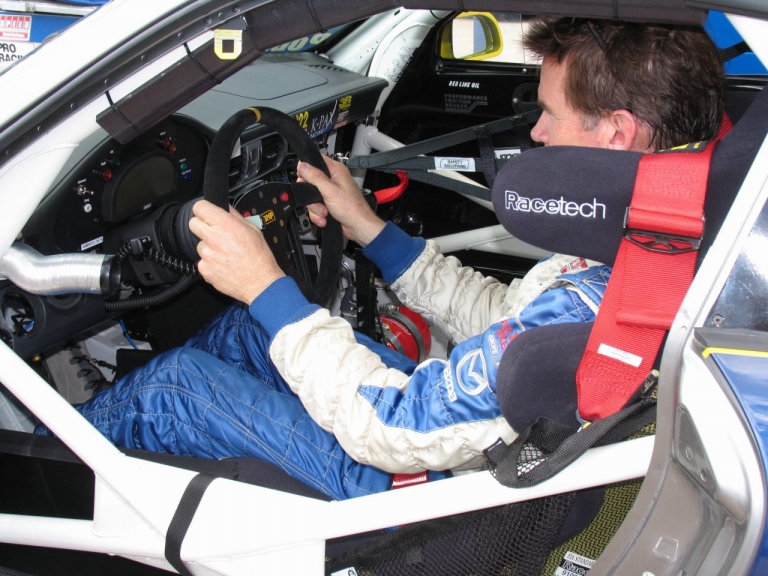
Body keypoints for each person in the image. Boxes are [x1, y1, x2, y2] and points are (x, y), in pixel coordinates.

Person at [38, 18, 725, 501]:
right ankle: (112, 415)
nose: (537, 132)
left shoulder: (589, 303)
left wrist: (266, 284)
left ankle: (43, 464)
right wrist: (370, 229)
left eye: (549, 112)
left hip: (414, 494)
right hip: (459, 445)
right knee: (249, 331)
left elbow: (394, 426)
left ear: (617, 132)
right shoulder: (649, 252)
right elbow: (506, 318)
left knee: (175, 388)